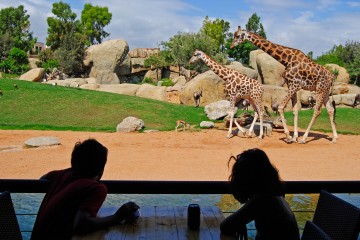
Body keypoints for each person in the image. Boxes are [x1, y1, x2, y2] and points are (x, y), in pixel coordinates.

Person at [31, 138, 140, 240]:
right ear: (101, 168)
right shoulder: (95, 188)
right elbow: (81, 225)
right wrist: (118, 217)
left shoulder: (61, 175)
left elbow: (43, 179)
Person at [220, 148, 300, 240]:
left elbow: (225, 226)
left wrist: (240, 221)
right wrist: (241, 221)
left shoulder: (262, 200)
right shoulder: (276, 197)